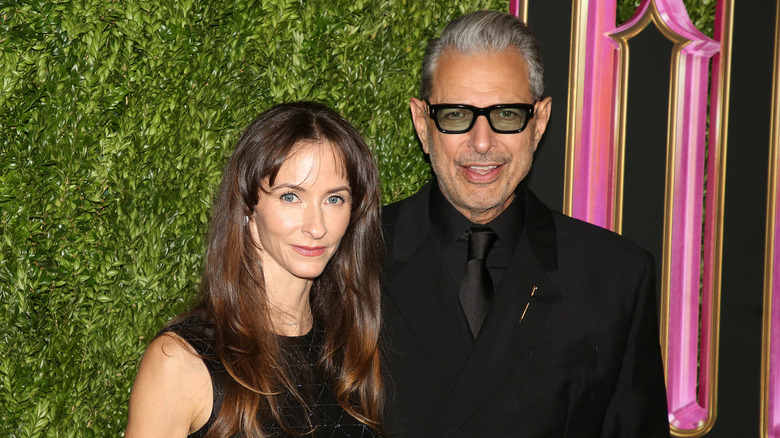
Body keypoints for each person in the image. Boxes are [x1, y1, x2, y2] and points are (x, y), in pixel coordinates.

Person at [381, 10, 669, 437]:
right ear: (423, 124)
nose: (482, 143)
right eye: (458, 115)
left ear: (539, 123)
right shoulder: (354, 255)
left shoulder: (616, 277)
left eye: (507, 115)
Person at [126, 101, 384, 437]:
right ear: (249, 205)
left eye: (334, 199)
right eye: (291, 196)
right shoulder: (182, 361)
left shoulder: (351, 347)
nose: (316, 226)